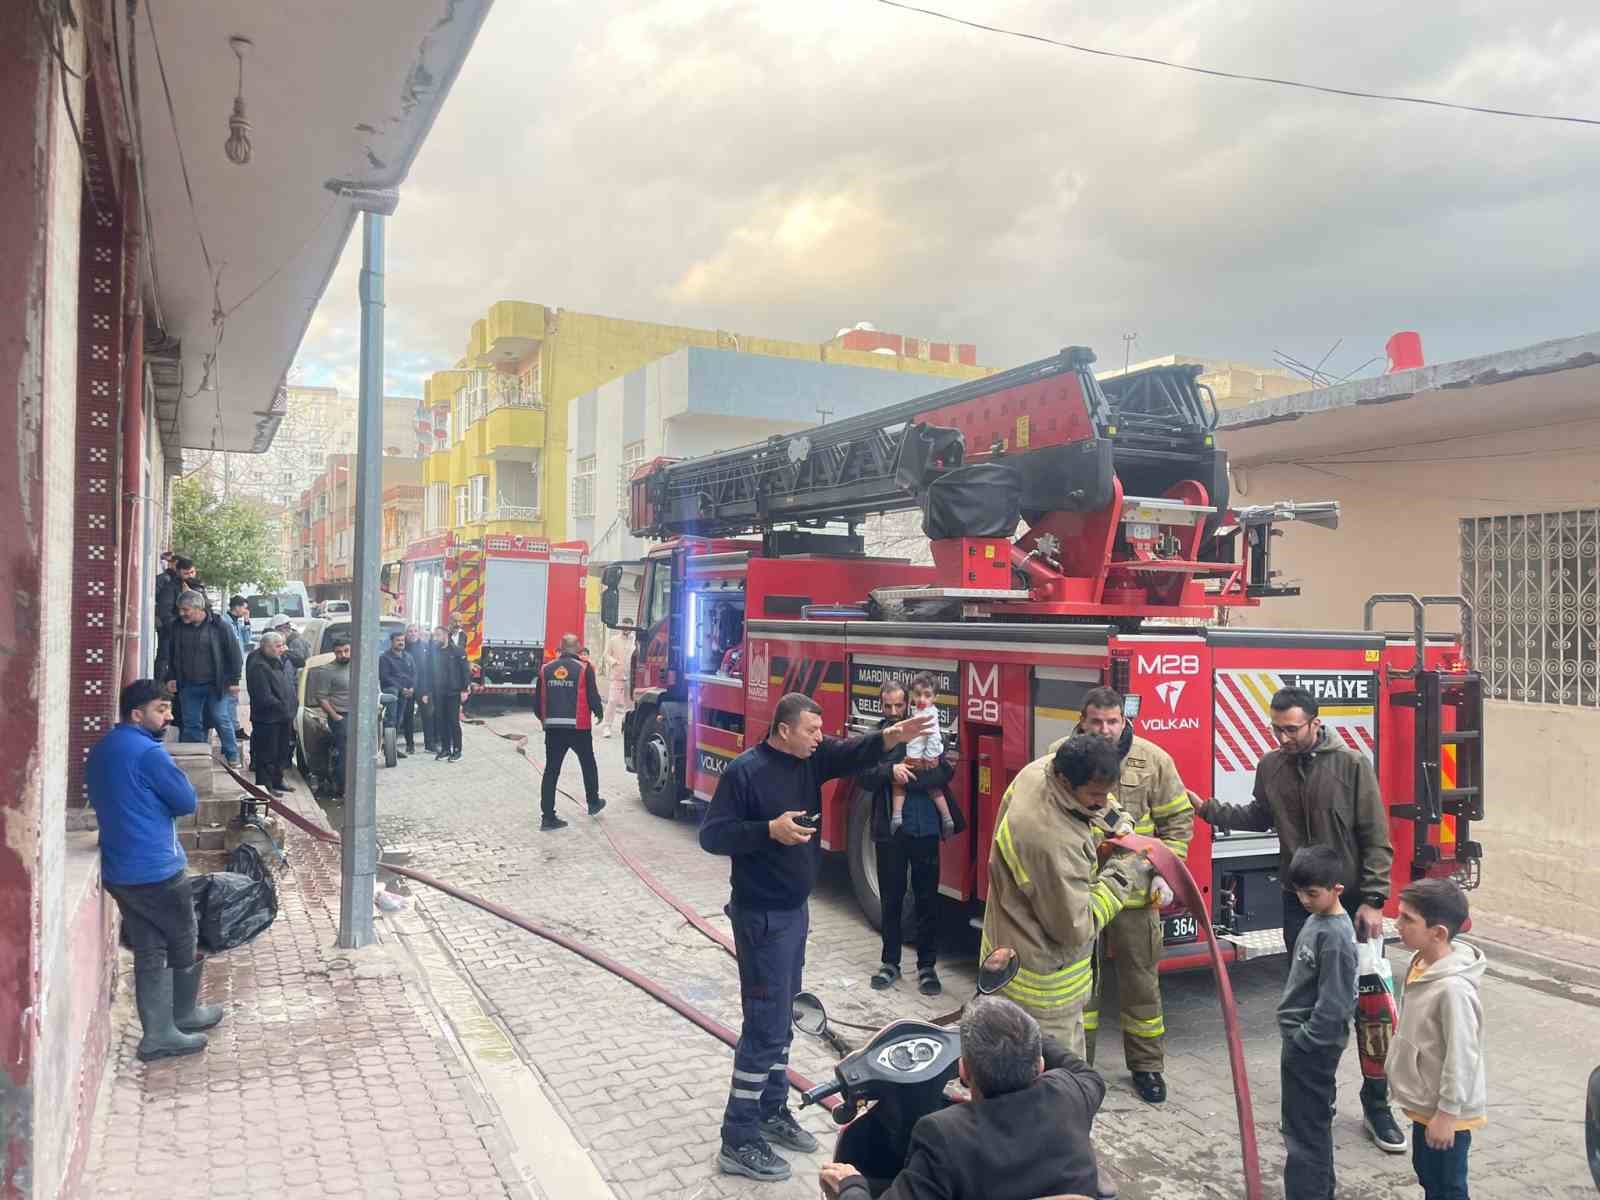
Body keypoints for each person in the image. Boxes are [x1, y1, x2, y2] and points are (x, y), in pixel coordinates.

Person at [699, 692, 936, 1183]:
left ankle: (770, 1109)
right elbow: (713, 836)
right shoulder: (745, 772)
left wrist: (895, 734)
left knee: (783, 1021)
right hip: (761, 917)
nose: (819, 737)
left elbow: (854, 751)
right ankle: (738, 1138)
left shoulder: (813, 760)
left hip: (793, 915)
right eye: (811, 729)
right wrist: (770, 830)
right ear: (783, 730)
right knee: (764, 1028)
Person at [1194, 684, 1405, 1151]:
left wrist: (1372, 899)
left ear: (1315, 722)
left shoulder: (1351, 765)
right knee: (1310, 1004)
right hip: (1300, 903)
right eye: (1276, 728)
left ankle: (1378, 1105)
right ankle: (1317, 1099)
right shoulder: (1271, 766)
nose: (1283, 737)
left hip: (1352, 904)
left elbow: (1376, 837)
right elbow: (1259, 814)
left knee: (1370, 1013)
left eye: (1291, 729)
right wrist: (1207, 809)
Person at [819, 996, 1104, 1200]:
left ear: (964, 1071)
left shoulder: (944, 1136)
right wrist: (1025, 1037)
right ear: (1040, 1065)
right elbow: (1088, 1075)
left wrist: (852, 1186)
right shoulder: (1070, 1094)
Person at [980, 734, 1149, 1057]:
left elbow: (1097, 803)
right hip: (1042, 993)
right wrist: (1125, 872)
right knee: (1053, 1089)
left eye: (1108, 792)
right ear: (1064, 780)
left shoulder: (1043, 769)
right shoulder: (1050, 840)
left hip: (1011, 950)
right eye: (1096, 794)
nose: (1104, 800)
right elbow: (1075, 927)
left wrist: (1119, 825)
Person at [87, 681, 224, 1062]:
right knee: (184, 936)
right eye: (162, 710)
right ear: (137, 714)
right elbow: (185, 801)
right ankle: (180, 1015)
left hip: (120, 866)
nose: (170, 716)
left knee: (150, 945)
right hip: (155, 866)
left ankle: (161, 1032)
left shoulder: (103, 749)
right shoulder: (149, 754)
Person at [1076, 687, 1194, 1105]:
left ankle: (1147, 1068)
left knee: (1141, 984)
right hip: (1081, 891)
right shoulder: (1064, 755)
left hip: (1135, 893)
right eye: (1097, 722)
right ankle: (1077, 1068)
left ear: (1123, 720)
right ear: (1083, 720)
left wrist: (1167, 871)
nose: (1106, 730)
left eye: (1113, 721)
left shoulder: (1153, 759)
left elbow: (1178, 819)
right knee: (1079, 985)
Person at [857, 679, 957, 996]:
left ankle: (927, 967)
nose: (894, 712)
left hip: (925, 824)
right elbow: (863, 776)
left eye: (899, 705)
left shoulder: (926, 726)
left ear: (908, 703)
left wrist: (911, 776)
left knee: (927, 898)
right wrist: (890, 772)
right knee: (891, 898)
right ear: (881, 705)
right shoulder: (877, 738)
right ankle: (890, 963)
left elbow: (945, 772)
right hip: (891, 829)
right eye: (888, 706)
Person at [1388, 878, 1485, 1200]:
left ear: (1438, 933)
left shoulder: (1453, 989)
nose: (1396, 924)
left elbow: (1463, 1055)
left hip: (1446, 1112)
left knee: (1448, 1188)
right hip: (1426, 1102)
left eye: (1407, 919)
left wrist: (1446, 1114)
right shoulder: (1422, 963)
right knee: (1429, 1176)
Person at [1278, 845, 1360, 1200]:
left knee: (1305, 1136)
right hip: (1300, 1044)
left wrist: (1303, 1041)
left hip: (1312, 1051)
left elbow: (1335, 1007)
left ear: (1336, 890)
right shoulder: (1316, 921)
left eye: (1312, 893)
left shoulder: (1336, 937)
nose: (1305, 899)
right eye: (1299, 891)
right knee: (1301, 1130)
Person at [155, 589, 243, 768]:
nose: (182, 613)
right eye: (180, 609)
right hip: (188, 684)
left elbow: (234, 655)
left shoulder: (219, 626)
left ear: (199, 608)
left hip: (215, 684)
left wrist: (234, 680)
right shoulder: (177, 626)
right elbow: (171, 655)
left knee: (220, 717)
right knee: (191, 722)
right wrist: (171, 677)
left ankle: (232, 755)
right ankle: (196, 758)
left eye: (186, 610)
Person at [532, 633, 606, 830]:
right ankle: (593, 802)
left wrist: (544, 720)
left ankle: (547, 817)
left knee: (551, 771)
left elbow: (537, 703)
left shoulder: (545, 669)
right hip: (578, 727)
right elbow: (592, 694)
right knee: (588, 764)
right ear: (578, 649)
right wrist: (599, 712)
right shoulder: (584, 667)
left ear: (561, 647)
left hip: (553, 729)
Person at [890, 674, 957, 840]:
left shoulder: (927, 715)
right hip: (925, 759)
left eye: (927, 695)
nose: (922, 698)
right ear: (912, 695)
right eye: (918, 694)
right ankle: (947, 817)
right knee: (933, 787)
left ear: (936, 697)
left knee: (898, 781)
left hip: (917, 759)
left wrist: (928, 757)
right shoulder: (923, 711)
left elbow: (934, 738)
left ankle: (896, 816)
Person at [245, 632, 296, 795]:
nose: (282, 649)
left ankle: (277, 780)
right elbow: (263, 697)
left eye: (282, 645)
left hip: (283, 716)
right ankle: (265, 786)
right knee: (267, 754)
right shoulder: (258, 665)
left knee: (281, 752)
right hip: (268, 719)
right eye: (278, 646)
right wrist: (282, 705)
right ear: (266, 647)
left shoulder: (277, 659)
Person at [305, 634, 354, 787]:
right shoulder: (327, 670)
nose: (343, 655)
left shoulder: (358, 667)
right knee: (346, 751)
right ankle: (342, 787)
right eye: (339, 652)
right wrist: (335, 716)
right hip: (340, 715)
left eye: (346, 651)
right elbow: (321, 697)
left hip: (358, 715)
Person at [422, 625, 468, 762]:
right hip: (438, 692)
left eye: (438, 635)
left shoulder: (458, 651)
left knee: (453, 721)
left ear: (446, 635)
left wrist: (464, 689)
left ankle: (457, 750)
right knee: (441, 721)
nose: (435, 638)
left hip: (453, 692)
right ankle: (445, 749)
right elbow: (428, 673)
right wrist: (426, 691)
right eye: (434, 635)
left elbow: (465, 672)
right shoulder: (433, 652)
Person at [152, 555, 196, 671]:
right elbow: (165, 613)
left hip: (193, 634)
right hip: (172, 633)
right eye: (186, 573)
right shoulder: (170, 587)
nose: (190, 576)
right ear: (178, 572)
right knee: (165, 661)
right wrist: (178, 628)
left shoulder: (197, 587)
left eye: (192, 572)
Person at [379, 630, 418, 758]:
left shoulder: (408, 657)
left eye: (402, 640)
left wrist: (412, 687)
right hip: (393, 694)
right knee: (392, 721)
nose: (401, 642)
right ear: (392, 642)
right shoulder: (385, 658)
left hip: (406, 693)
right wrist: (402, 689)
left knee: (399, 720)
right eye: (398, 640)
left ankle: (392, 748)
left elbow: (414, 674)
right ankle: (389, 749)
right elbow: (385, 678)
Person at [404, 624, 434, 752]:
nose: (412, 633)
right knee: (407, 716)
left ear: (419, 633)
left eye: (415, 631)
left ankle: (429, 744)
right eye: (410, 631)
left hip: (422, 687)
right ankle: (410, 745)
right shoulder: (402, 647)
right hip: (408, 687)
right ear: (406, 634)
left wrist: (428, 690)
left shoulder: (425, 647)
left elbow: (429, 670)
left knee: (427, 716)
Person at [599, 628, 634, 738]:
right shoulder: (614, 640)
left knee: (630, 704)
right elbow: (606, 655)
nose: (626, 629)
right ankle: (607, 726)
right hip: (617, 675)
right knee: (612, 700)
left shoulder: (635, 639)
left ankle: (627, 726)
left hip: (631, 676)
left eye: (628, 626)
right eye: (624, 626)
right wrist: (613, 662)